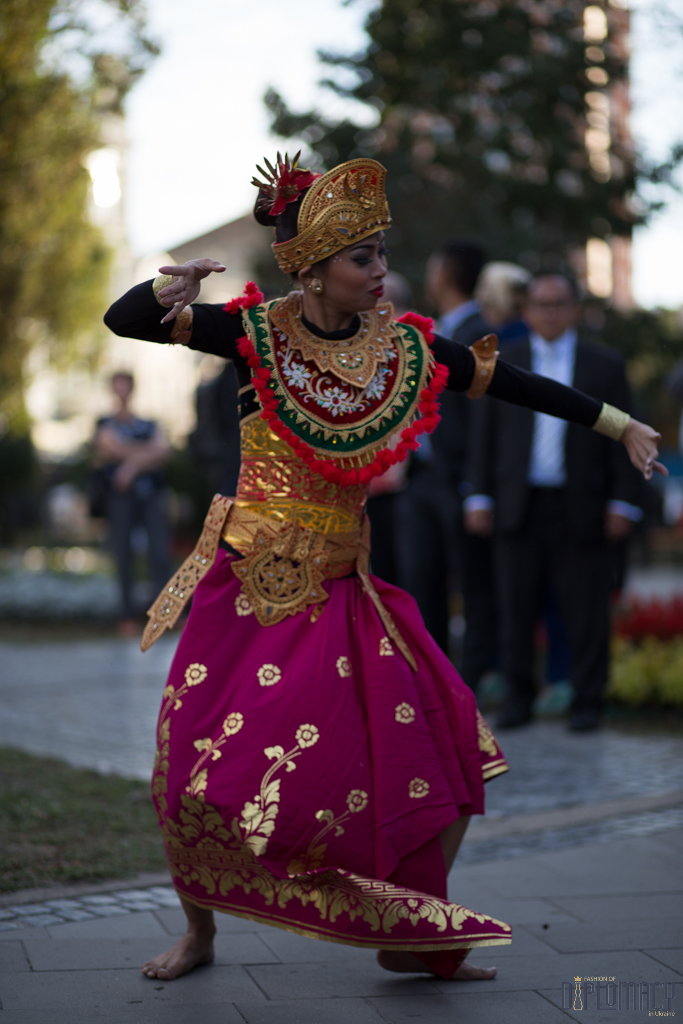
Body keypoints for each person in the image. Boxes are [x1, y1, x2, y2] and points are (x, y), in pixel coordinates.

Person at [103, 156, 663, 984]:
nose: (380, 271)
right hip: (250, 592)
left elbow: (508, 381)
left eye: (381, 255)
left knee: (449, 747)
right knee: (195, 773)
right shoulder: (254, 334)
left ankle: (415, 934)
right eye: (362, 257)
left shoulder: (400, 348)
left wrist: (617, 424)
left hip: (345, 591)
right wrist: (168, 289)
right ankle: (200, 934)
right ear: (315, 266)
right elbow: (125, 322)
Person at [465, 273, 645, 732]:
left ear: (575, 309)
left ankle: (587, 700)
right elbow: (483, 435)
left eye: (558, 304)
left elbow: (626, 434)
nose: (549, 312)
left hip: (581, 503)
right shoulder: (506, 361)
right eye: (541, 304)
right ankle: (518, 698)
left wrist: (623, 503)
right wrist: (479, 494)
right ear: (526, 311)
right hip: (516, 503)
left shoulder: (604, 365)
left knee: (586, 608)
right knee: (515, 606)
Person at [396, 240, 489, 655]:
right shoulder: (432, 329)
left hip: (459, 480)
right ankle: (432, 673)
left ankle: (471, 676)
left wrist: (476, 483)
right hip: (422, 477)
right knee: (421, 582)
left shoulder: (479, 334)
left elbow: (483, 418)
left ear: (447, 273)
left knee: (471, 583)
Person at [93, 372, 172, 635]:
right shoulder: (104, 422)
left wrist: (128, 465)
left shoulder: (148, 422)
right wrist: (144, 455)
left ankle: (166, 613)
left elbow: (164, 452)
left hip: (150, 496)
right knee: (123, 554)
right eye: (118, 386)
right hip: (120, 498)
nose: (122, 391)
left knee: (160, 552)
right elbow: (108, 448)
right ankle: (126, 615)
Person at [365, 271, 412, 584]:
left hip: (410, 481)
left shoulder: (417, 349)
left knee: (411, 571)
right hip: (366, 483)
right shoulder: (358, 349)